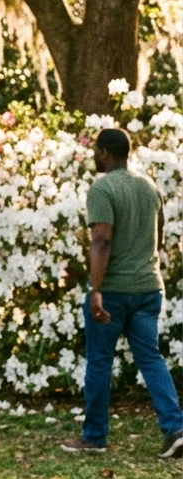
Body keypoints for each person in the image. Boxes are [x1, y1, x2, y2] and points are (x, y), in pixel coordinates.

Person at [61, 128, 183, 457]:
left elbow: (101, 240)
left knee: (100, 362)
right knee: (151, 359)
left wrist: (95, 289)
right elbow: (158, 239)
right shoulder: (149, 187)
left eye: (96, 150)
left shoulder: (102, 187)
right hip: (148, 287)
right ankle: (175, 428)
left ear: (104, 153)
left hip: (113, 290)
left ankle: (94, 437)